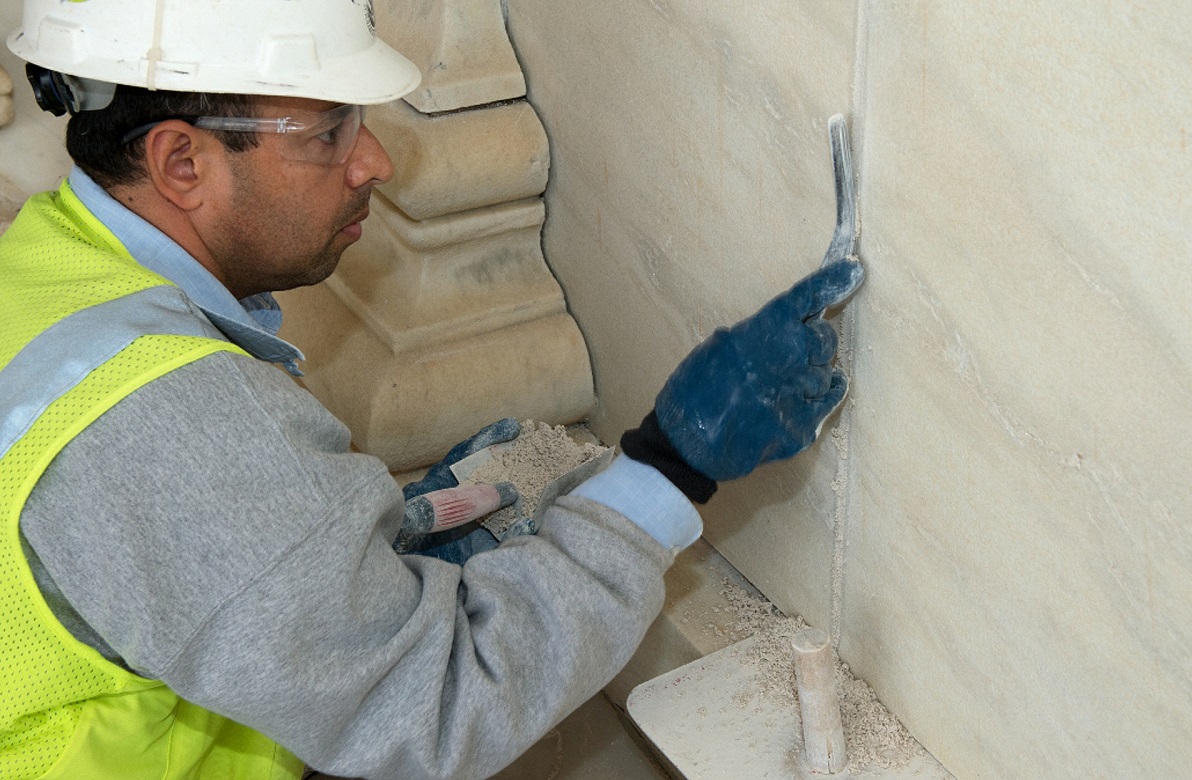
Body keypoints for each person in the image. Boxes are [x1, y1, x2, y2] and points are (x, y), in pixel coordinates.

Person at [0, 1, 864, 778]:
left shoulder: (42, 270)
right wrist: (669, 468)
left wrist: (357, 558)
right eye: (328, 131)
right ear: (180, 161)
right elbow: (440, 707)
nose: (371, 160)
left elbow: (171, 561)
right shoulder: (166, 421)